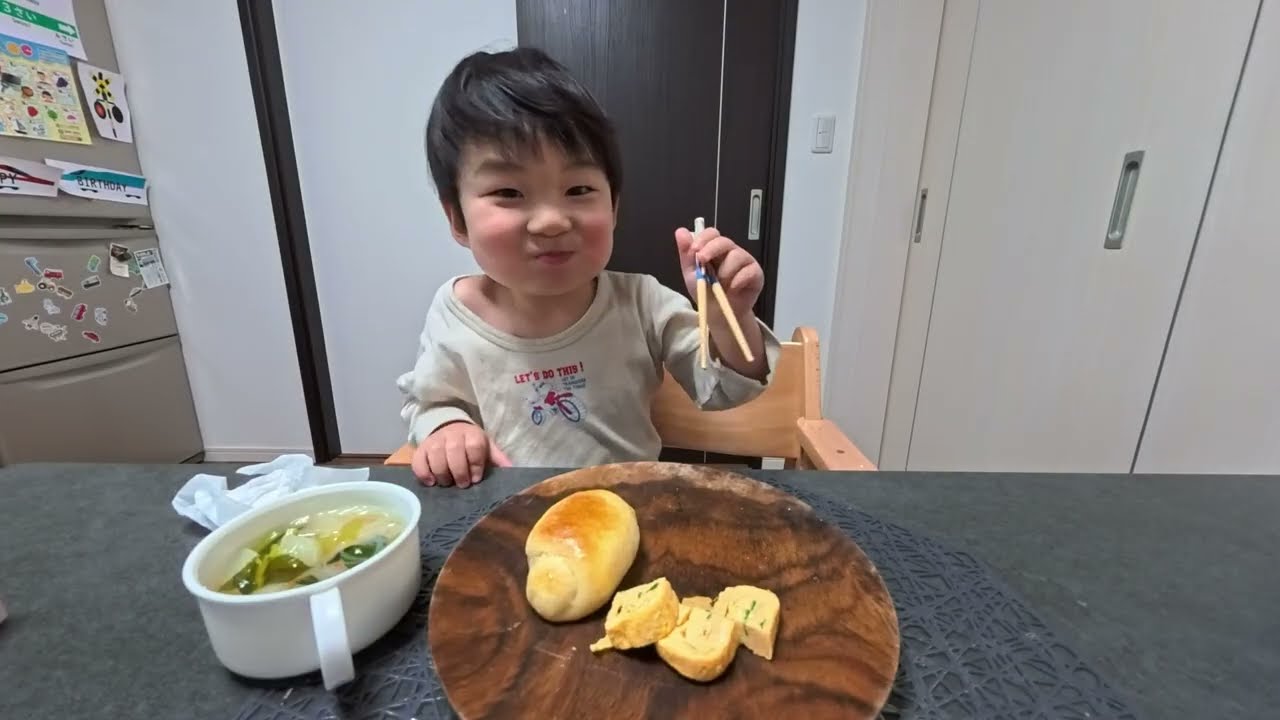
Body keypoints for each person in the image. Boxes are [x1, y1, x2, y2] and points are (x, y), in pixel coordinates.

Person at [396, 47, 779, 488]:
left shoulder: (642, 302)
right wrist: (446, 429)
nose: (553, 221)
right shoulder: (453, 313)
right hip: (510, 520)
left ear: (614, 207)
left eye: (578, 188)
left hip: (629, 510)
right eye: (509, 192)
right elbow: (429, 403)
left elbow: (726, 389)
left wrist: (731, 317)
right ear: (457, 219)